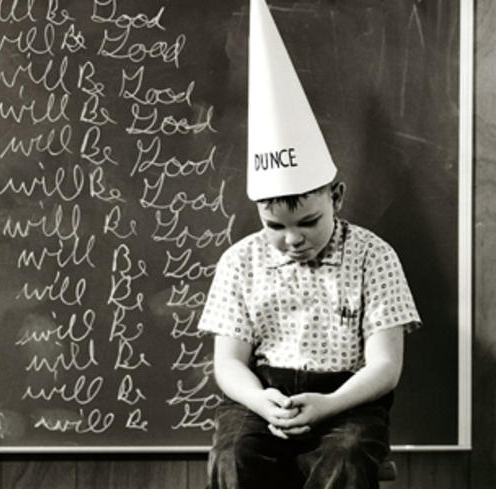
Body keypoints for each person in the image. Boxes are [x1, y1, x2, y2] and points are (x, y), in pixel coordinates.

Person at [197, 1, 421, 488]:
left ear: (336, 197)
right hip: (262, 398)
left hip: (348, 401)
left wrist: (329, 404)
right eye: (274, 226)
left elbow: (385, 365)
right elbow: (229, 362)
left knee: (346, 456)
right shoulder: (240, 261)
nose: (292, 239)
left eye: (309, 222)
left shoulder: (374, 257)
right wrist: (261, 402)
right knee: (234, 454)